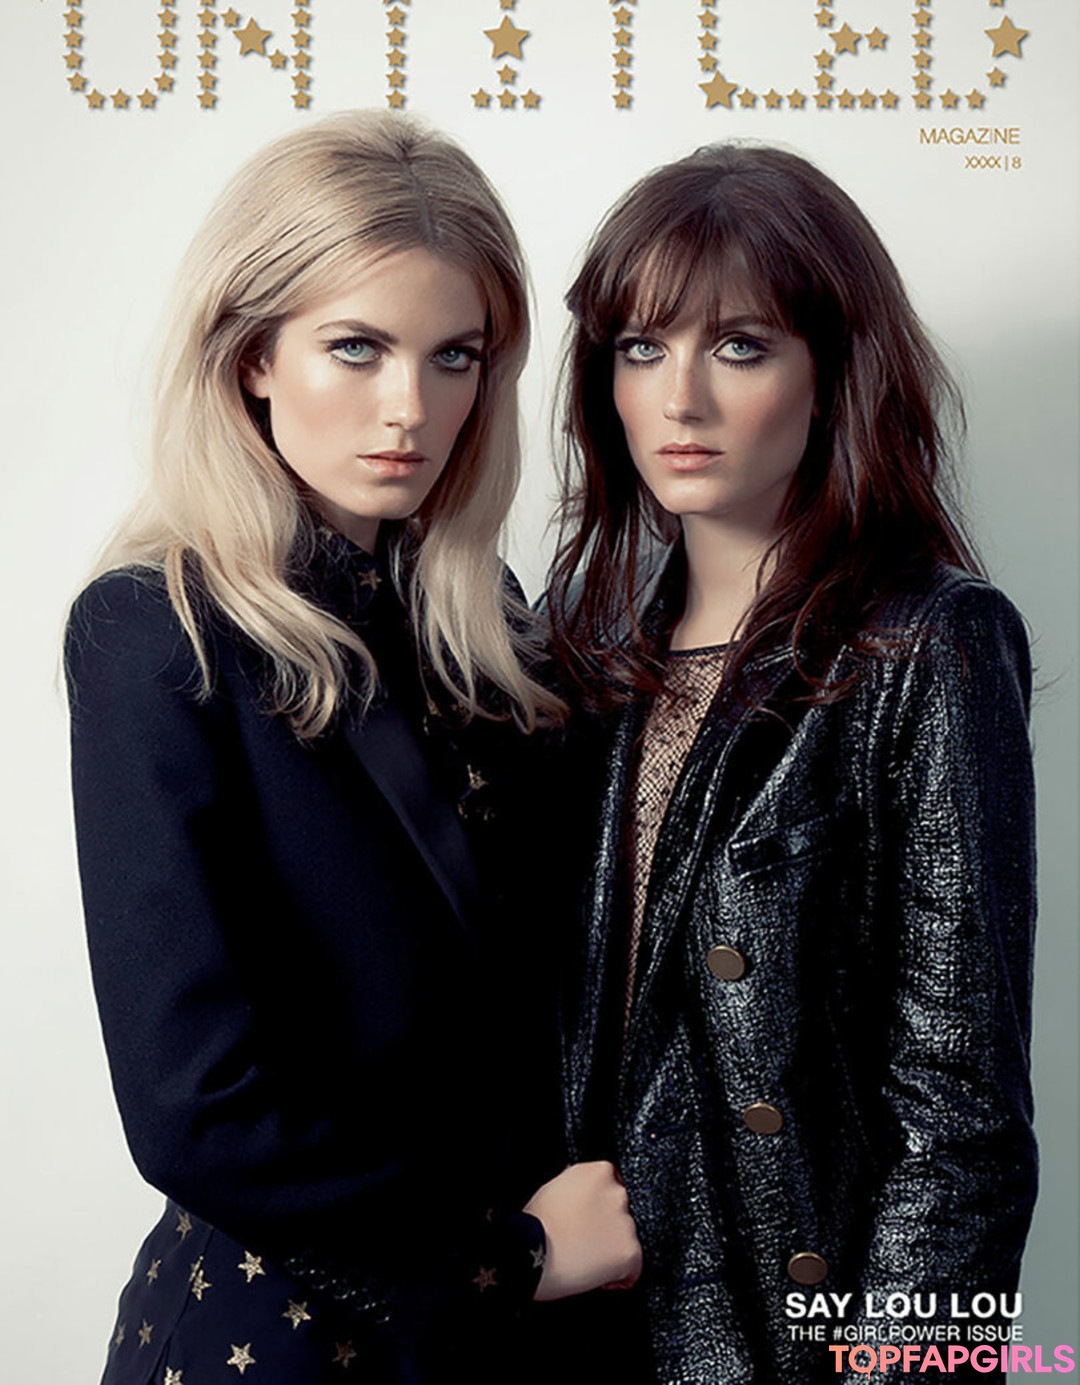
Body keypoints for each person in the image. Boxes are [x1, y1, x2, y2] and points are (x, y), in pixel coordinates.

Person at [65, 111, 639, 1385]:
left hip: (507, 1335)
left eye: (455, 357)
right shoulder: (155, 630)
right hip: (275, 1331)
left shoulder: (489, 626)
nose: (410, 409)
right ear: (251, 355)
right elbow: (193, 1107)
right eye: (357, 347)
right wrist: (514, 1257)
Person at [547, 143, 1037, 1383]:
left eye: (740, 346)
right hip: (575, 1317)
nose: (681, 400)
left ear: (833, 374)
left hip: (785, 1329)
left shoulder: (925, 643)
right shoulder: (579, 648)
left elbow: (961, 1114)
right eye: (641, 347)